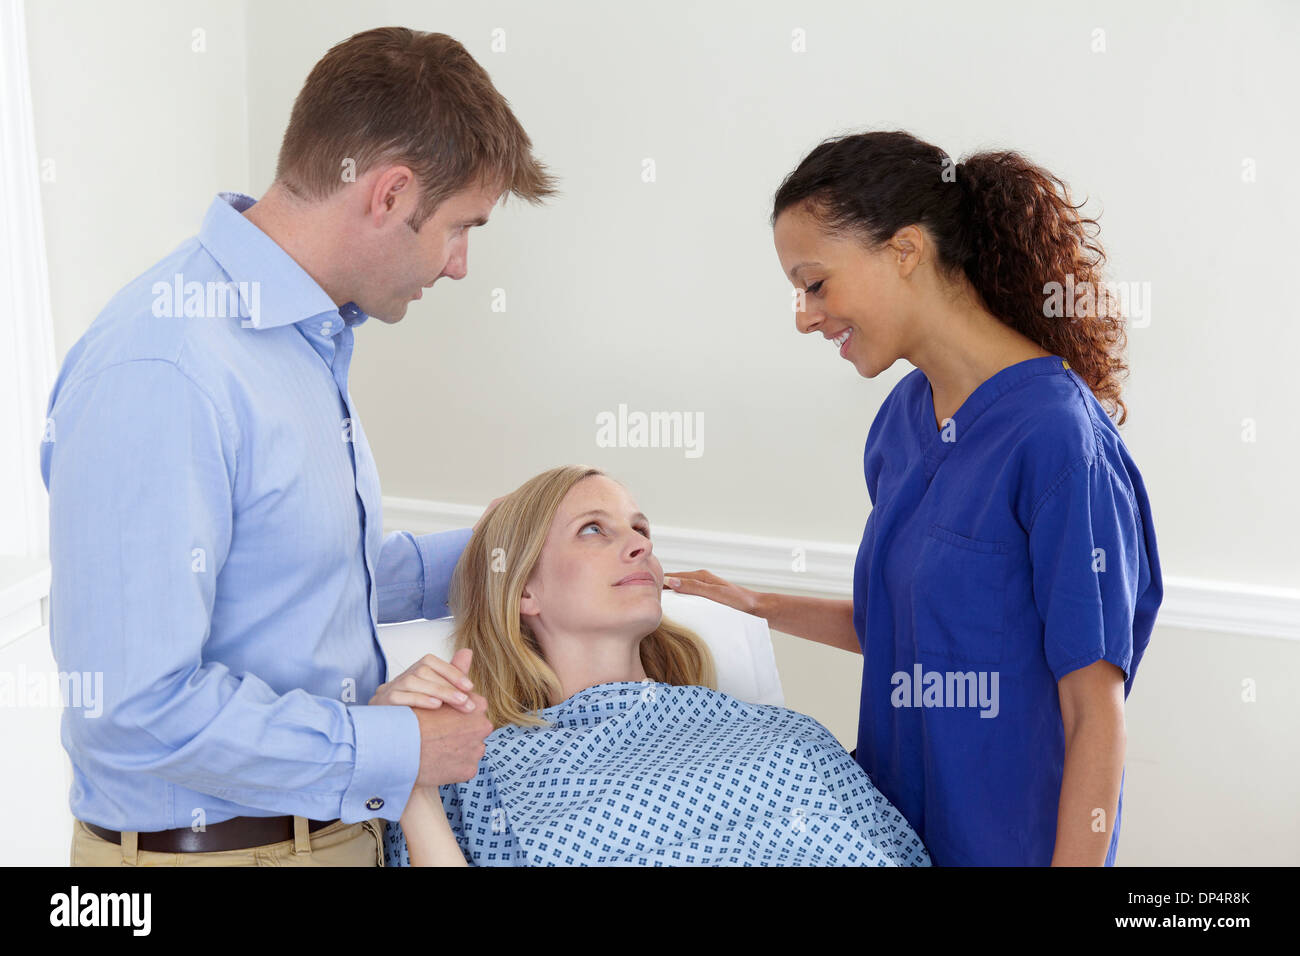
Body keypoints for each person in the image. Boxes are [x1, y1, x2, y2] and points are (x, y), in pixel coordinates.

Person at [43, 27, 554, 866]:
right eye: (462, 227)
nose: (460, 265)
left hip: (330, 837)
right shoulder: (166, 366)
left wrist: (501, 550)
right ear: (389, 195)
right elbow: (137, 706)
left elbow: (287, 581)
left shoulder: (298, 341)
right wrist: (401, 749)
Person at [666, 131, 1163, 866]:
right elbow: (908, 630)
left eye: (815, 283)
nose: (804, 315)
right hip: (890, 837)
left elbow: (1095, 713)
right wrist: (755, 605)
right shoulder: (902, 419)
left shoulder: (1058, 441)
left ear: (905, 251)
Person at [377, 466, 931, 867]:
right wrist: (407, 770)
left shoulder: (784, 737)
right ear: (525, 590)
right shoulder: (479, 768)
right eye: (594, 529)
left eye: (642, 530)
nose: (640, 546)